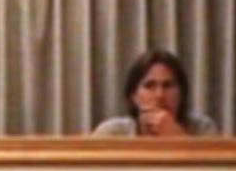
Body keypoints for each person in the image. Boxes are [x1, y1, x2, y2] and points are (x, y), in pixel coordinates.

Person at [91, 49, 219, 138]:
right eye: (149, 86)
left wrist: (177, 137)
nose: (159, 95)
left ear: (181, 94)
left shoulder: (203, 129)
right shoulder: (111, 133)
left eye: (168, 85)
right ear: (134, 96)